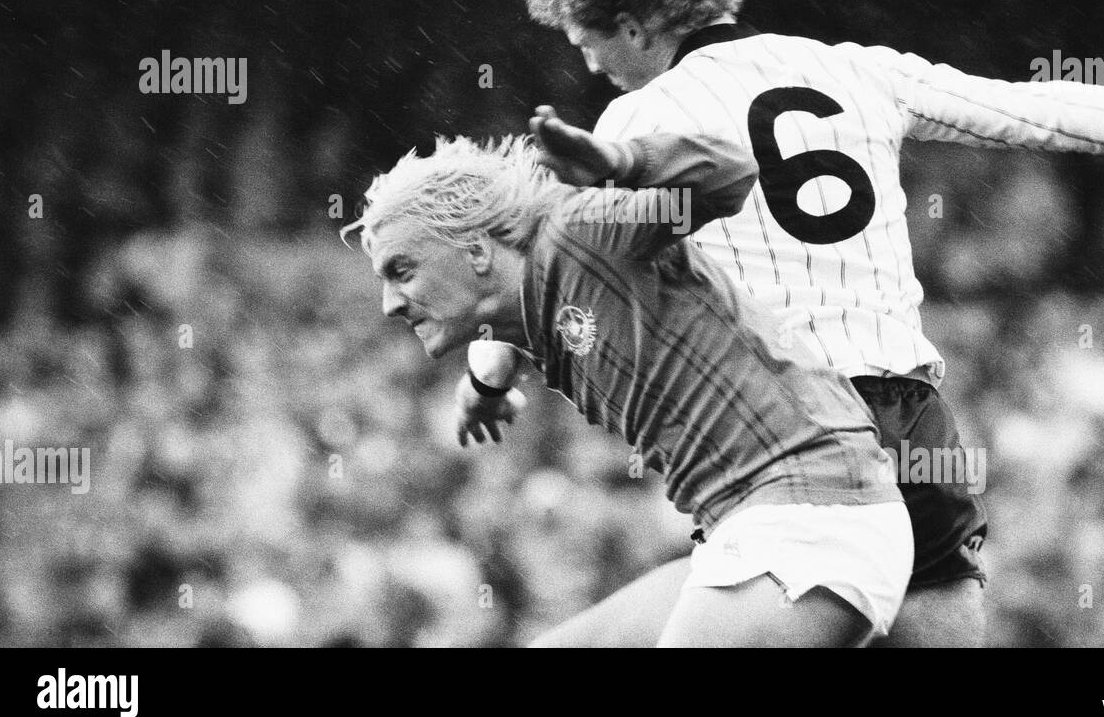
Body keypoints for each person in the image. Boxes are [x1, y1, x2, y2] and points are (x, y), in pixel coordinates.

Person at [459, 0, 1104, 648]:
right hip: (911, 420)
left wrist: (487, 379)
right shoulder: (858, 71)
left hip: (785, 434)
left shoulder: (637, 126)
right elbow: (1035, 111)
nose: (590, 65)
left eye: (587, 41)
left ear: (634, 26)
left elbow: (555, 272)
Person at [341, 125, 911, 647]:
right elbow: (512, 320)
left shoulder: (581, 234)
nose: (389, 304)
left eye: (402, 269)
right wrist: (484, 383)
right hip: (746, 527)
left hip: (814, 514)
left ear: (475, 250)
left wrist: (624, 158)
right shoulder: (529, 303)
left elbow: (731, 174)